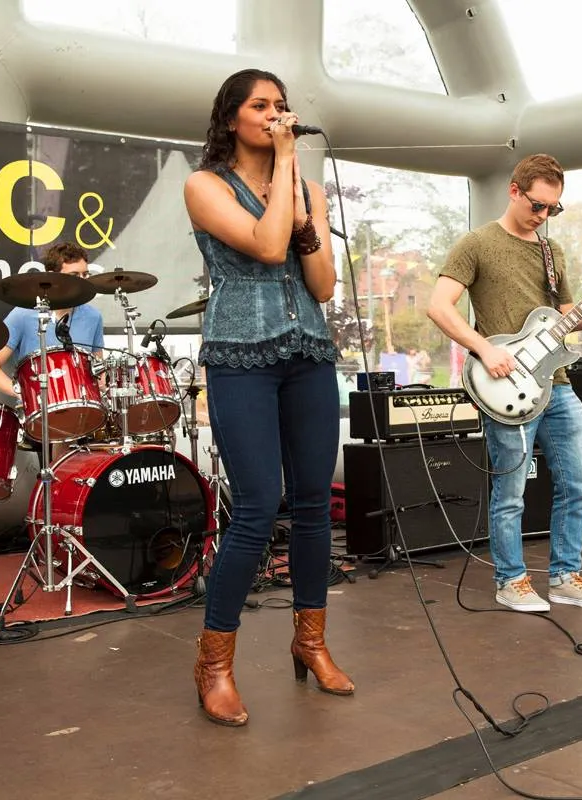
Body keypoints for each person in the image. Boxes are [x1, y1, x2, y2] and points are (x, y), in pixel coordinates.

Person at [182, 68, 349, 726]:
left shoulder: (306, 187)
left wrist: (305, 206)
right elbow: (267, 245)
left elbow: (323, 284)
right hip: (240, 355)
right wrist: (285, 169)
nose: (276, 114)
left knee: (314, 506)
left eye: (282, 105)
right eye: (261, 105)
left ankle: (311, 643)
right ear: (231, 119)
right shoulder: (204, 186)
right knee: (255, 508)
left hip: (310, 352)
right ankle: (214, 664)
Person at [427, 153, 582, 613]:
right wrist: (484, 348)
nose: (544, 215)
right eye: (538, 205)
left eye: (553, 208)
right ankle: (510, 580)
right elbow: (438, 306)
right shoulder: (476, 243)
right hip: (506, 385)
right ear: (514, 191)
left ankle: (566, 577)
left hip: (557, 383)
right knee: (511, 492)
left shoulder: (552, 252)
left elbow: (567, 318)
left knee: (579, 484)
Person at [0, 241, 104, 403]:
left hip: (82, 409)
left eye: (85, 275)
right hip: (36, 409)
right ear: (52, 276)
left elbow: (98, 370)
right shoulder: (23, 314)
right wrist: (22, 392)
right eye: (75, 276)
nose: (82, 281)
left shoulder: (93, 316)